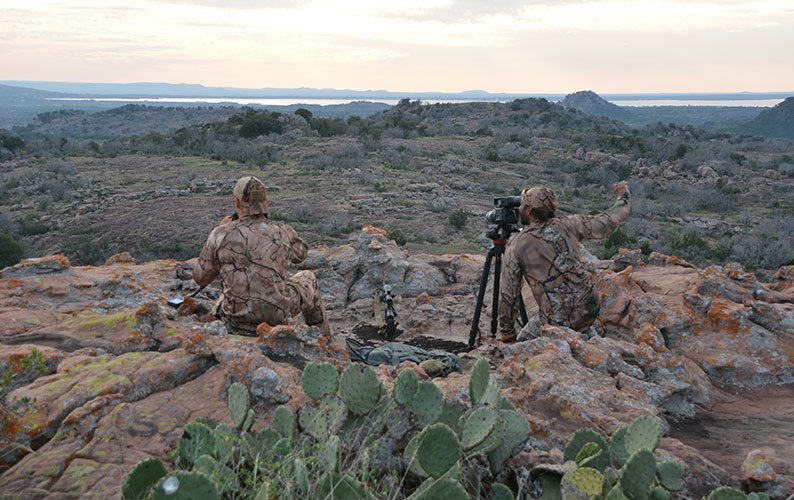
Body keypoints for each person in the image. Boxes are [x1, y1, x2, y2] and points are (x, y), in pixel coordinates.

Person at [192, 176, 330, 336]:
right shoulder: (283, 232)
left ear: (237, 203)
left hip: (235, 319)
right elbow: (301, 254)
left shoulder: (220, 234)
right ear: (266, 202)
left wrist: (222, 231)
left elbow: (200, 278)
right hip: (278, 315)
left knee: (230, 290)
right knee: (308, 277)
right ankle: (323, 340)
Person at [498, 181, 631, 342]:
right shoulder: (570, 224)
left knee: (524, 341)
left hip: (558, 317)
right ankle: (587, 340)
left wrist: (507, 333)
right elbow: (608, 220)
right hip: (589, 306)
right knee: (576, 325)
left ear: (529, 210)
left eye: (522, 205)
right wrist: (622, 195)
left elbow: (509, 294)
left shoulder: (517, 244)